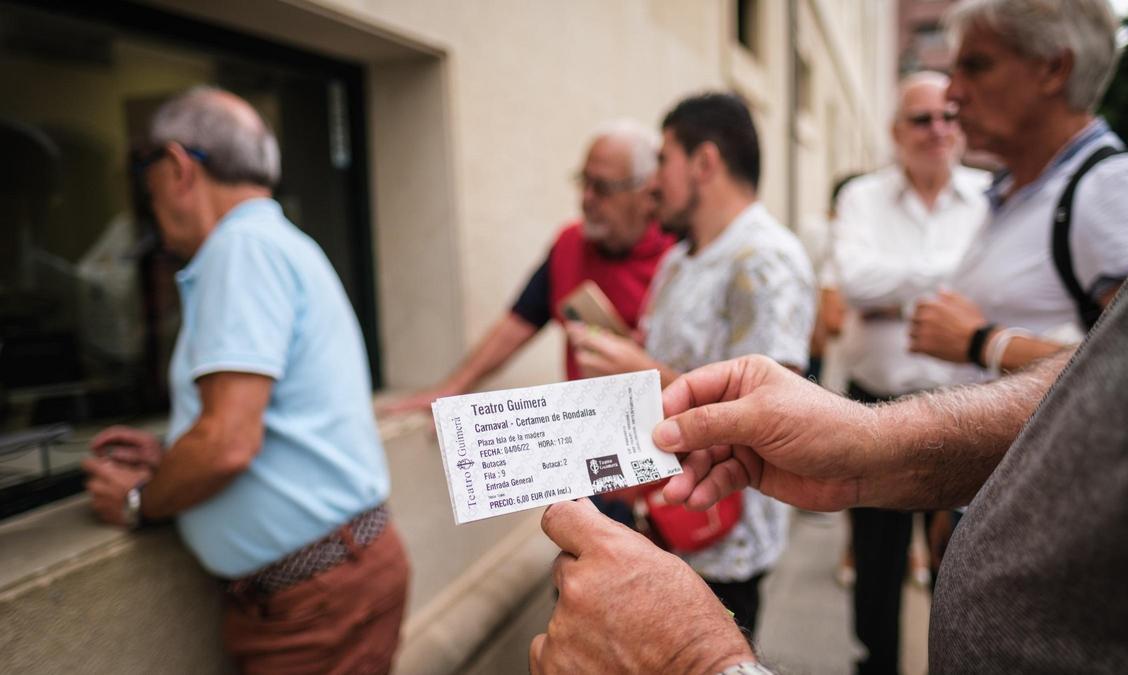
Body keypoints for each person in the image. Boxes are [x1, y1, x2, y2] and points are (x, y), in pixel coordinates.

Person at [529, 166, 1128, 673]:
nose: (955, 103)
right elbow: (1119, 375)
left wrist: (697, 660)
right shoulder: (682, 255)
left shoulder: (762, 255)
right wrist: (877, 443)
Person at [81, 87, 408, 674]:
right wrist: (172, 454)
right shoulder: (276, 240)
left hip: (315, 599)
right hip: (335, 579)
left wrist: (139, 502)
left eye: (147, 180)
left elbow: (229, 441)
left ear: (178, 166)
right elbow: (262, 421)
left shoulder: (240, 248)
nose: (148, 202)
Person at [565, 92, 815, 639]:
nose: (653, 181)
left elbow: (778, 415)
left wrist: (643, 372)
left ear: (704, 163)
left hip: (721, 537)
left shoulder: (766, 259)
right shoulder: (681, 257)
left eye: (663, 160)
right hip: (662, 515)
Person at [909, 0, 1128, 377]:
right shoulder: (1018, 187)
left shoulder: (1111, 188)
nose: (952, 93)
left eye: (976, 66)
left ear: (1054, 69)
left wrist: (981, 342)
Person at [829, 71, 990, 675]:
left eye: (949, 115)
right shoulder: (861, 198)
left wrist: (893, 293)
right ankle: (877, 663)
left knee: (965, 564)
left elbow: (993, 289)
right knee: (876, 564)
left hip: (970, 410)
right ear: (897, 131)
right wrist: (952, 284)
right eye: (922, 119)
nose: (938, 130)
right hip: (878, 406)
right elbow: (852, 279)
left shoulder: (990, 195)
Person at [381, 120, 674, 413]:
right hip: (592, 425)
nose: (586, 198)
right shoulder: (569, 244)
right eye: (583, 182)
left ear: (647, 193)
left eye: (602, 187)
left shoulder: (681, 255)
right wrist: (450, 390)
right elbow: (517, 324)